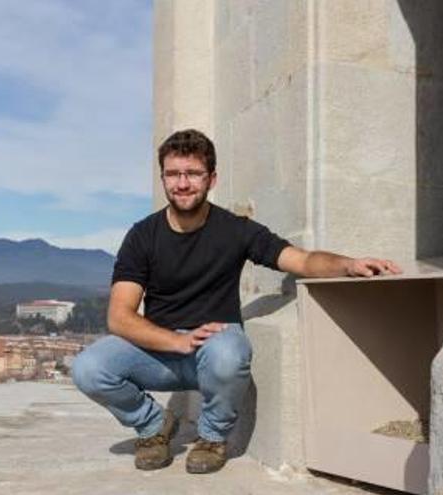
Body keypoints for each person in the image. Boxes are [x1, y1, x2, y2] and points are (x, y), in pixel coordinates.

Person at [71, 129, 402, 474]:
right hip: (160, 350)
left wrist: (347, 265)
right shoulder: (143, 235)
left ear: (212, 179)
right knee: (89, 368)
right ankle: (154, 426)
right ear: (163, 178)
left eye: (193, 174)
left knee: (229, 351)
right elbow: (119, 317)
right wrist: (175, 340)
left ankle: (212, 438)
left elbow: (301, 261)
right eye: (173, 174)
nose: (182, 184)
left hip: (214, 349)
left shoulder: (236, 230)